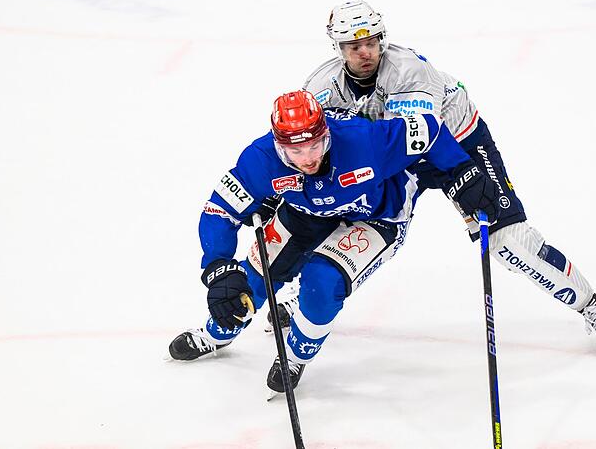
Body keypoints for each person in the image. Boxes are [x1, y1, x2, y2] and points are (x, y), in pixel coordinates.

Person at [296, 0, 596, 354]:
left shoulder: (408, 70)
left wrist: (462, 173)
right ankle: (303, 296)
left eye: (372, 41)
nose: (366, 52)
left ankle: (593, 306)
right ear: (338, 48)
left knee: (506, 240)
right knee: (337, 211)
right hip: (396, 158)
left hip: (456, 143)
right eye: (354, 46)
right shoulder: (320, 87)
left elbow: (421, 137)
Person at [168, 90, 501, 394]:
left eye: (314, 145)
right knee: (251, 279)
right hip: (305, 213)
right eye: (296, 151)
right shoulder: (260, 159)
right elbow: (218, 211)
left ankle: (296, 355)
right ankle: (216, 333)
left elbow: (432, 130)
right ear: (279, 146)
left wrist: (463, 171)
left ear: (326, 132)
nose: (308, 158)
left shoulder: (366, 140)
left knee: (322, 284)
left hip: (377, 216)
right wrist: (218, 264)